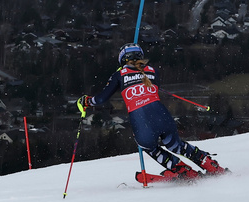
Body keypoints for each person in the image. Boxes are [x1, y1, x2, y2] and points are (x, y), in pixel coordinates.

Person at [78, 43, 226, 179]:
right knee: (176, 145)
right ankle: (208, 163)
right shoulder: (153, 70)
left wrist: (86, 101)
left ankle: (182, 170)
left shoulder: (119, 74)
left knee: (149, 147)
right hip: (162, 115)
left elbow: (101, 99)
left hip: (141, 121)